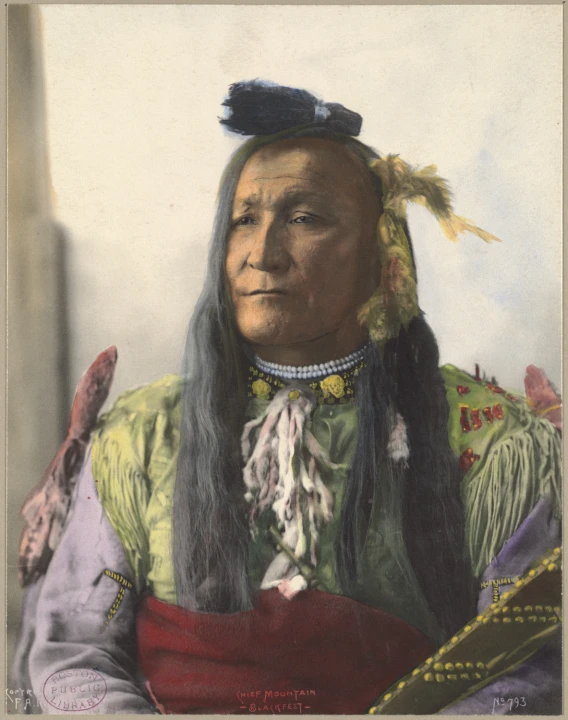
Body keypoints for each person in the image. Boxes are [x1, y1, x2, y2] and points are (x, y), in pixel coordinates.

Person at [15, 81, 562, 715]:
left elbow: (528, 673)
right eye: (244, 219)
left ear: (387, 260)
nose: (262, 254)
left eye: (304, 219)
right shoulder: (140, 438)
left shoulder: (491, 442)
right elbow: (75, 650)